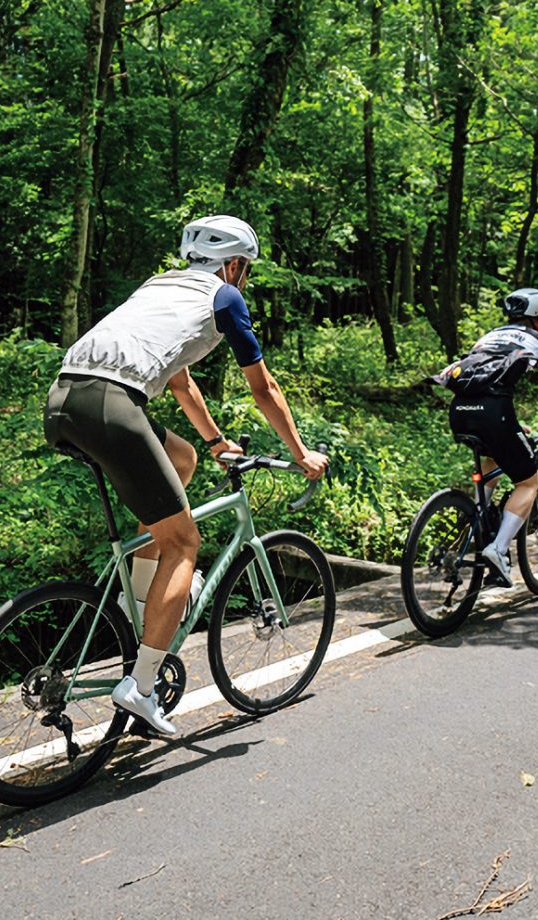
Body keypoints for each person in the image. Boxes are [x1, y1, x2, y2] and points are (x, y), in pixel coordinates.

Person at [44, 215, 328, 736]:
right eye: (246, 270)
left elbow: (180, 383)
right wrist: (302, 452)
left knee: (182, 461)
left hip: (65, 398)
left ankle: (142, 619)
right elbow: (264, 389)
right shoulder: (225, 298)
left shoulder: (160, 288)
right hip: (112, 404)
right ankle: (141, 686)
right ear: (236, 264)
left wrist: (216, 442)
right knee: (184, 543)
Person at [444, 288, 538, 587]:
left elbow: (484, 383)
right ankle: (497, 550)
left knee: (492, 461)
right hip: (493, 413)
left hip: (460, 411)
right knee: (528, 481)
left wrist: (511, 424)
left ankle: (475, 523)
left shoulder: (487, 338)